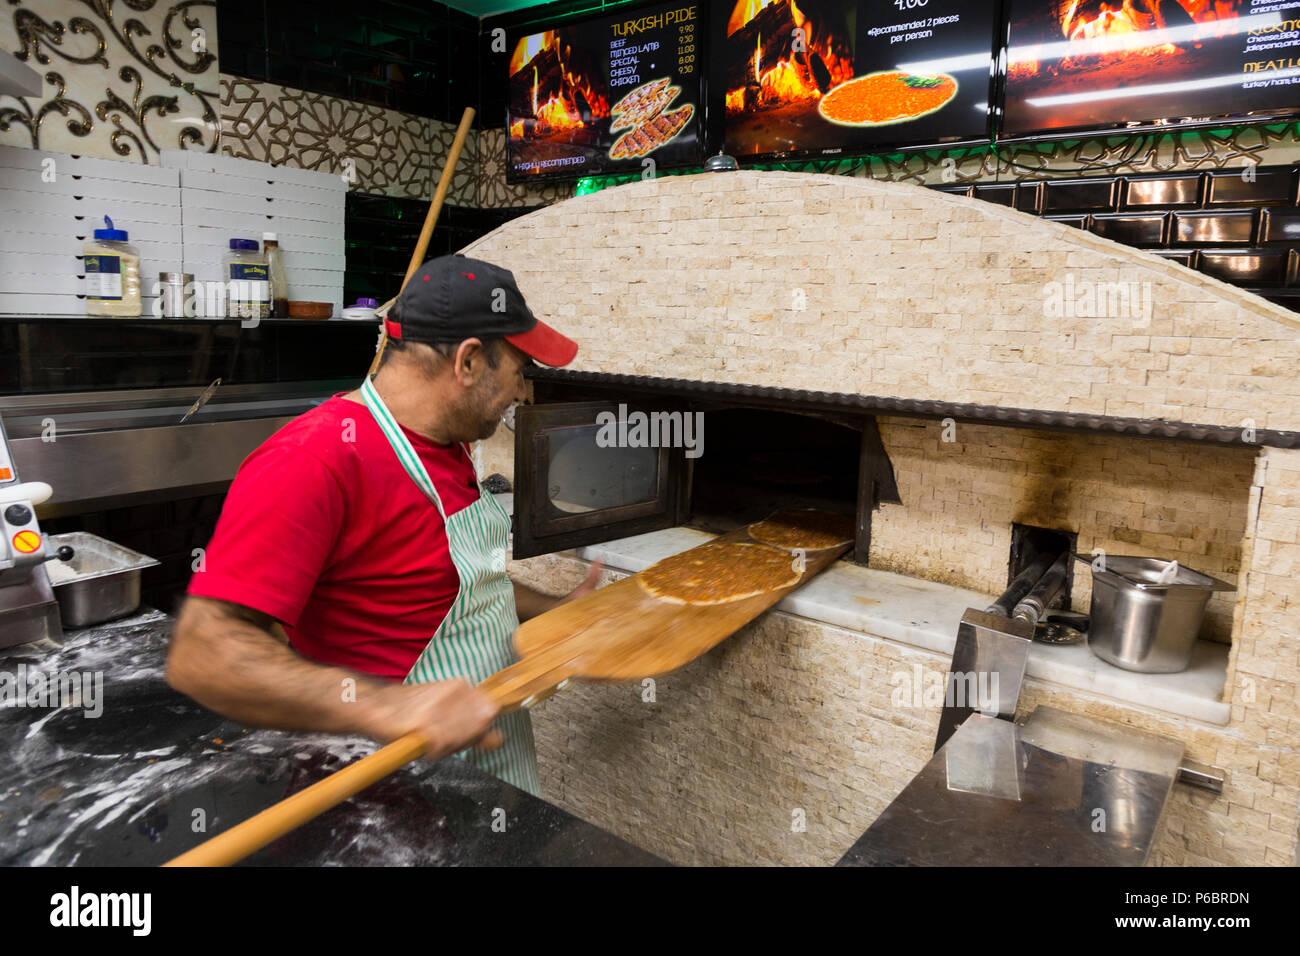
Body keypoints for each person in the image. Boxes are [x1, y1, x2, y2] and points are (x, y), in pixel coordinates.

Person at [167, 254, 596, 795]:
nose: (523, 393)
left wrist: (557, 614)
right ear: (468, 363)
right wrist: (392, 705)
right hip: (388, 787)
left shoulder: (449, 443)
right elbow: (204, 653)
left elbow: (454, 584)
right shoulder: (315, 459)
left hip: (485, 768)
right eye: (518, 370)